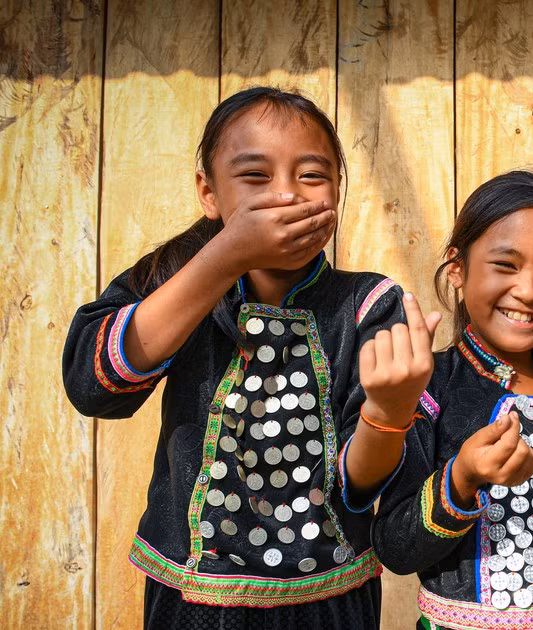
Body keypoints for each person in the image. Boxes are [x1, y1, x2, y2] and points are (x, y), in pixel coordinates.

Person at [62, 87, 437, 628]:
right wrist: (226, 254)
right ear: (208, 194)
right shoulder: (179, 283)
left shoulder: (369, 306)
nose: (285, 196)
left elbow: (360, 489)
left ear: (336, 191)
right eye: (256, 177)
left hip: (328, 600)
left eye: (312, 175)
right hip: (191, 598)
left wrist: (389, 412)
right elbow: (91, 383)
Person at [371, 170, 533, 629]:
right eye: (506, 265)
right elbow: (394, 546)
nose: (528, 291)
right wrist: (461, 479)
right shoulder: (430, 388)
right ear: (458, 267)